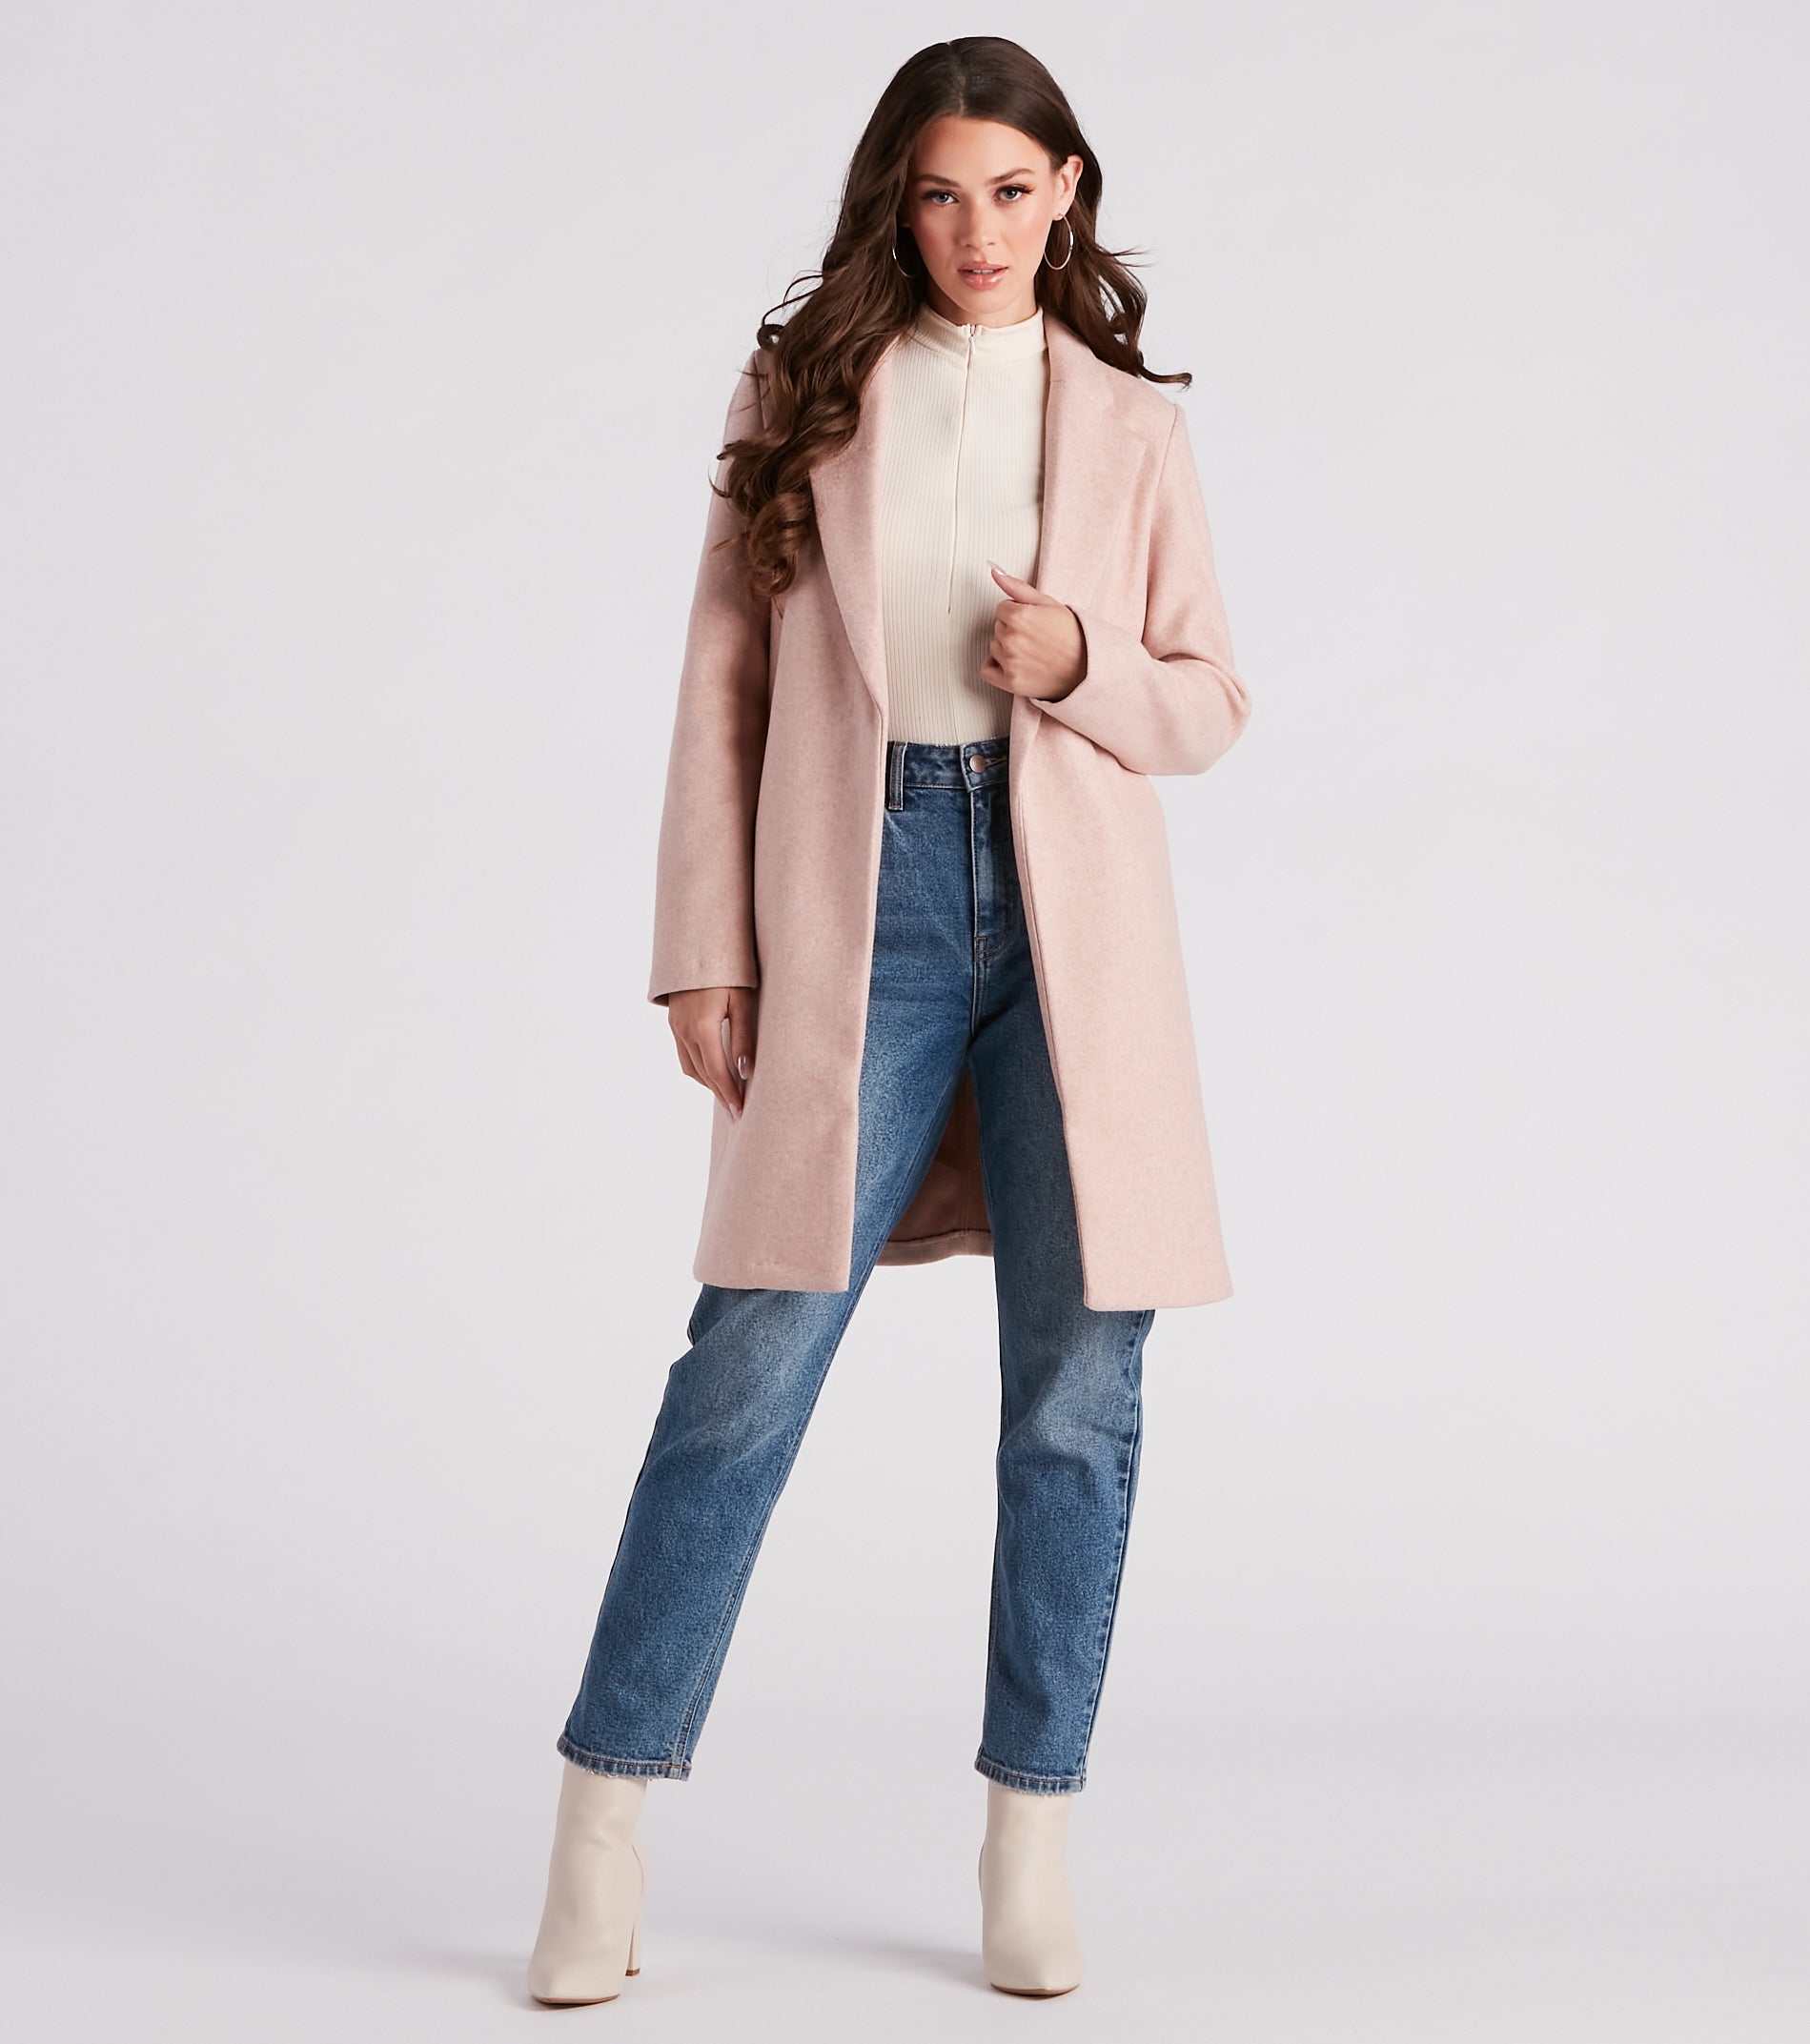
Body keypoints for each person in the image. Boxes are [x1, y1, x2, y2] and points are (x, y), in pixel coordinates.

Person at [528, 34, 1252, 2006]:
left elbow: (1207, 698)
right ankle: (601, 1815)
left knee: (1077, 1391)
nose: (976, 232)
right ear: (896, 202)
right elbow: (722, 674)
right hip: (860, 901)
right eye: (940, 195)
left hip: (1074, 928)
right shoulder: (805, 391)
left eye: (1011, 192)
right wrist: (706, 944)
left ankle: (1030, 1832)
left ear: (1068, 192)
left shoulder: (1129, 424)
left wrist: (1080, 654)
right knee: (748, 1359)